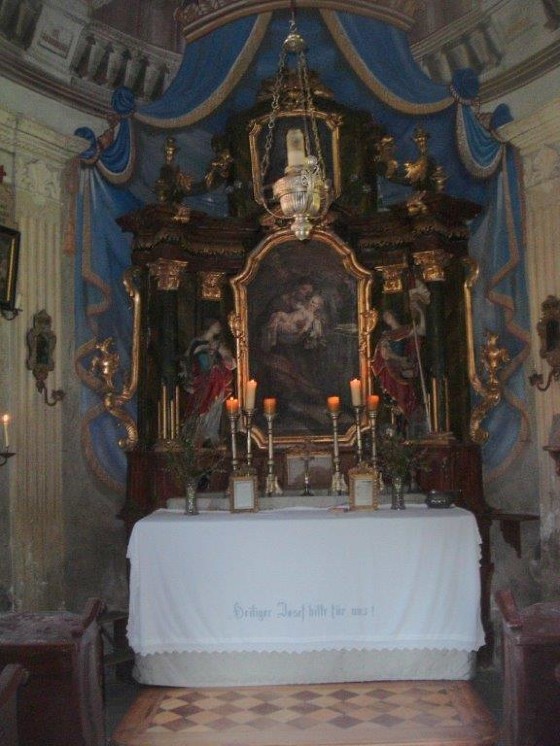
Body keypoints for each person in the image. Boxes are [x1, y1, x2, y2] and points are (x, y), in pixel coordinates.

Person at [181, 319, 236, 445]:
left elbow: (231, 362)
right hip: (200, 382)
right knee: (199, 406)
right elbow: (187, 360)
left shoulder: (218, 344)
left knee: (214, 407)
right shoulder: (197, 342)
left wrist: (222, 356)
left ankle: (210, 434)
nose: (219, 327)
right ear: (210, 325)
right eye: (216, 324)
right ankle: (196, 434)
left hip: (216, 383)